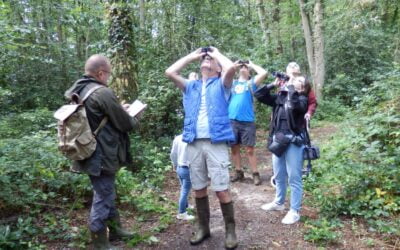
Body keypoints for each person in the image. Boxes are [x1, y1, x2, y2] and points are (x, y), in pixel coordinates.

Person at [165, 47, 238, 249]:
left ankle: (230, 231)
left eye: (210, 60)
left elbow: (231, 67)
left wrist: (215, 53)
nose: (206, 60)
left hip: (216, 143)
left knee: (222, 190)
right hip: (194, 142)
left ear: (217, 67)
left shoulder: (223, 84)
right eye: (204, 59)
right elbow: (170, 72)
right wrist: (192, 56)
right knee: (198, 189)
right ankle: (203, 227)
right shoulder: (191, 86)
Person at [64, 54, 138, 249]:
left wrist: (117, 108)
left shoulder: (79, 90)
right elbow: (125, 123)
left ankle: (115, 230)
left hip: (88, 150)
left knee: (107, 191)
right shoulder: (101, 92)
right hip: (102, 153)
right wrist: (132, 116)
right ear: (100, 73)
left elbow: (97, 115)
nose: (109, 77)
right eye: (108, 74)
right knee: (103, 196)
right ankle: (99, 242)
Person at [254, 74, 309, 225]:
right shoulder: (280, 98)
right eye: (294, 79)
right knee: (279, 175)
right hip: (278, 141)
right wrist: (273, 84)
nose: (294, 80)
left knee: (294, 178)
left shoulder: (302, 100)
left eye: (299, 80)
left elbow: (296, 105)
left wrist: (290, 86)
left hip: (293, 143)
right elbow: (258, 95)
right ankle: (279, 203)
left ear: (302, 88)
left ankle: (295, 211)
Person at [229, 60, 267, 185]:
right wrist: (235, 65)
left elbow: (263, 73)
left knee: (250, 149)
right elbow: (225, 73)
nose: (244, 68)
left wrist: (251, 65)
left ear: (249, 72)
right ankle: (239, 172)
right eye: (242, 67)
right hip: (232, 120)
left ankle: (255, 173)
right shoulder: (232, 83)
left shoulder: (251, 84)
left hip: (247, 121)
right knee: (234, 148)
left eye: (246, 68)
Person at [170, 134, 195, 221]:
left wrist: (174, 164)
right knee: (185, 191)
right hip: (187, 168)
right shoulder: (193, 138)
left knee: (183, 188)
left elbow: (173, 153)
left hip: (179, 167)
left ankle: (186, 205)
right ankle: (182, 213)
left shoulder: (177, 138)